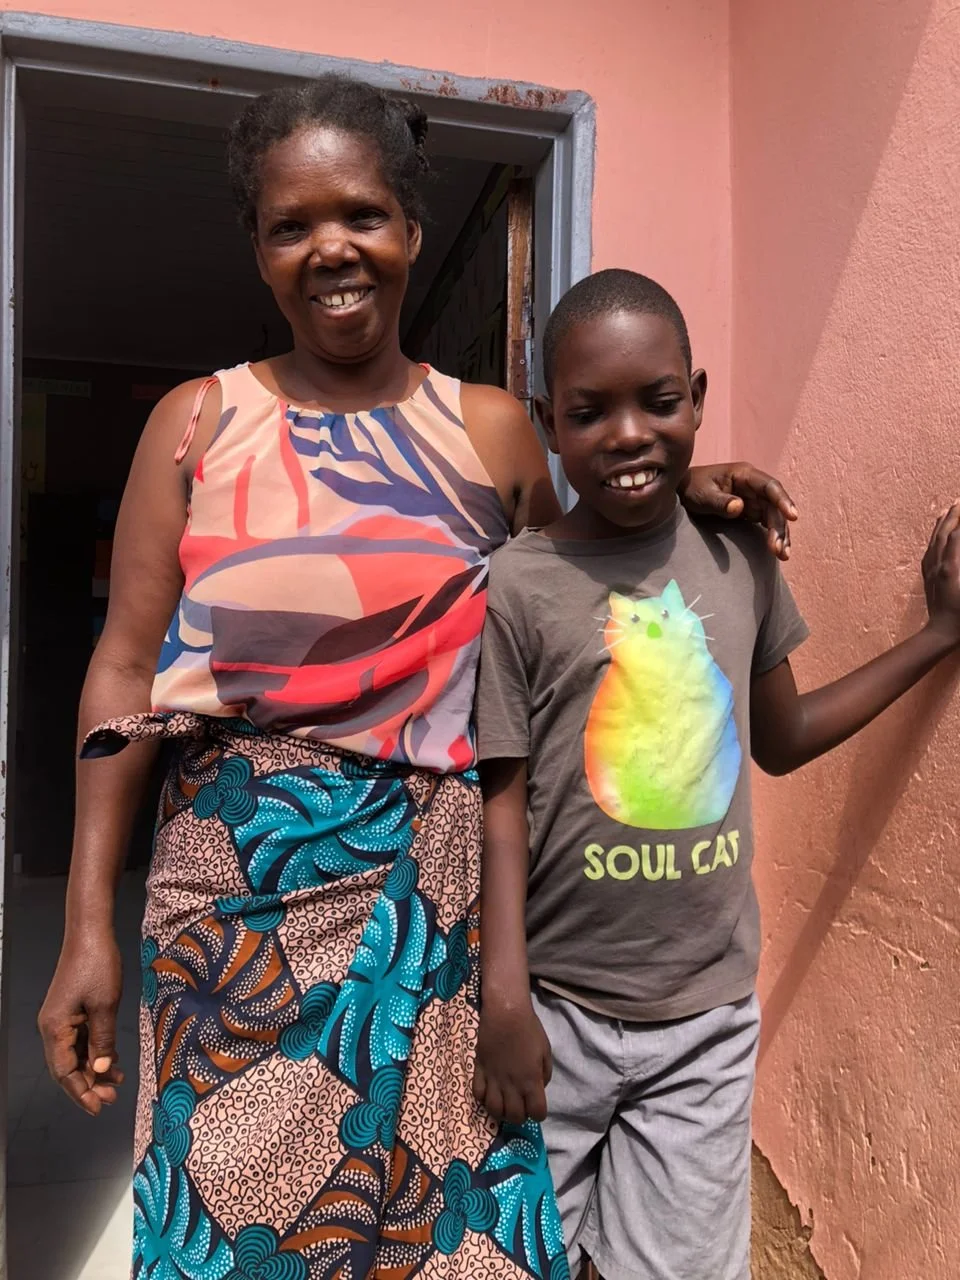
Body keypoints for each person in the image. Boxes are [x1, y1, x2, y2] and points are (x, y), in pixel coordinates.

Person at [38, 78, 800, 1279]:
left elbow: (587, 579)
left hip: (443, 906)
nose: (331, 248)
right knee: (234, 1231)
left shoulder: (493, 430)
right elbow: (125, 668)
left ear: (410, 230)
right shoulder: (197, 423)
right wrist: (88, 928)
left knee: (449, 1243)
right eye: (291, 224)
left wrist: (686, 491)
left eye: (361, 214)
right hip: (233, 906)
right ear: (258, 247)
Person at [473, 268, 960, 1280]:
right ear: (546, 422)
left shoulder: (740, 553)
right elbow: (504, 800)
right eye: (588, 411)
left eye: (658, 402)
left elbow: (781, 735)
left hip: (703, 1021)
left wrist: (940, 636)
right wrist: (505, 994)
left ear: (695, 396)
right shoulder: (521, 581)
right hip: (556, 1009)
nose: (628, 434)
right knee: (509, 1256)